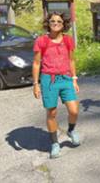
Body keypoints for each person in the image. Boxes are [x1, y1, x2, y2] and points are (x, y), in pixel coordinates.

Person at [32, 12, 80, 159]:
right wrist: (36, 84)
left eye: (59, 21)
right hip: (48, 80)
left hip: (65, 78)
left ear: (63, 23)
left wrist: (74, 79)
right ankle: (54, 143)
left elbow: (71, 60)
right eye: (52, 21)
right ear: (48, 23)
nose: (55, 23)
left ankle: (71, 130)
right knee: (51, 112)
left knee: (74, 110)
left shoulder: (68, 40)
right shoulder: (41, 41)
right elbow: (36, 63)